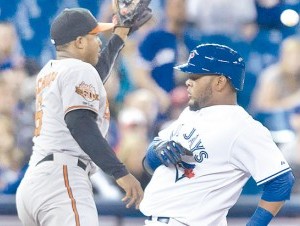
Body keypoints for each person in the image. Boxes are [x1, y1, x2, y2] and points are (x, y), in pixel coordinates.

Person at [141, 43, 295, 226]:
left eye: (195, 76)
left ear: (220, 81)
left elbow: (281, 183)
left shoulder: (244, 127)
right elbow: (148, 164)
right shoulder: (191, 113)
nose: (188, 81)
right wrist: (156, 151)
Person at [16, 8, 144, 226]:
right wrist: (120, 172)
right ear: (80, 42)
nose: (99, 42)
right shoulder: (77, 71)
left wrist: (119, 37)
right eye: (95, 36)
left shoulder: (49, 70)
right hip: (62, 179)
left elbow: (95, 75)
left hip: (35, 183)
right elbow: (80, 124)